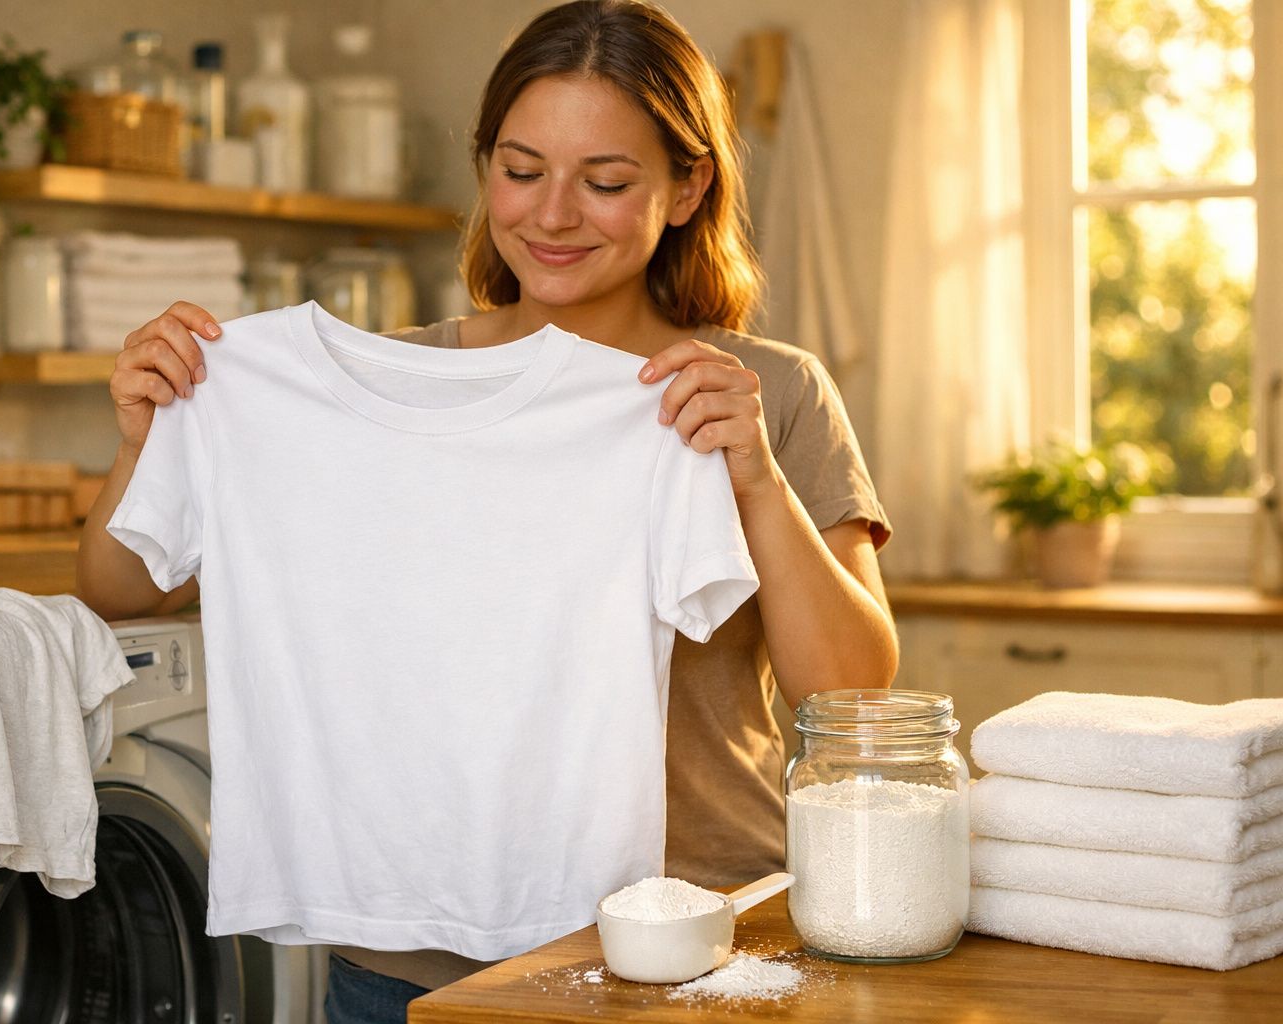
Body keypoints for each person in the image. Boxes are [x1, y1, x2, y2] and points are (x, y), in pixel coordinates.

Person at [77, 1, 897, 1020]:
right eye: (521, 170)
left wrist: (757, 483)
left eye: (605, 182)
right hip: (404, 961)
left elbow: (853, 696)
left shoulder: (760, 392)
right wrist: (143, 441)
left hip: (693, 944)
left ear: (688, 188)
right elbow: (121, 593)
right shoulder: (372, 392)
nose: (552, 215)